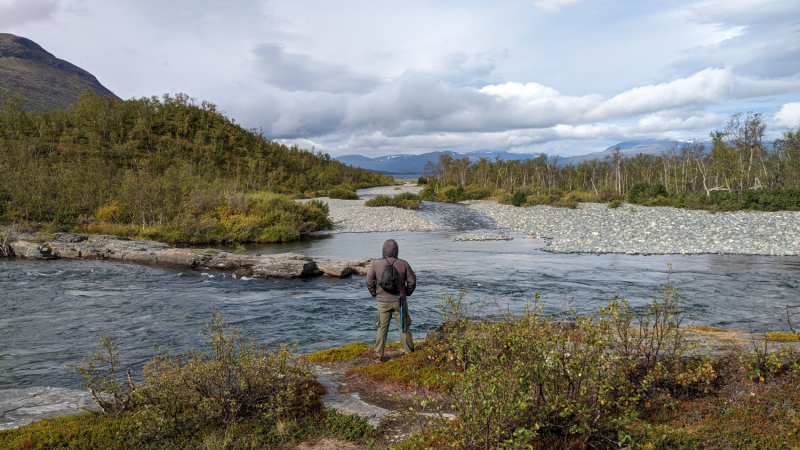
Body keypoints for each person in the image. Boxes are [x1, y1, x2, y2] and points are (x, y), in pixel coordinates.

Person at [366, 239, 416, 361]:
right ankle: (410, 353)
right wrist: (406, 293)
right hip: (400, 301)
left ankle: (378, 355)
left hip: (382, 302)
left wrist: (375, 293)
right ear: (397, 250)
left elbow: (369, 281)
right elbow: (412, 281)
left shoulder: (376, 263)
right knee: (403, 327)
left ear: (383, 250)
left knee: (382, 327)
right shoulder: (403, 264)